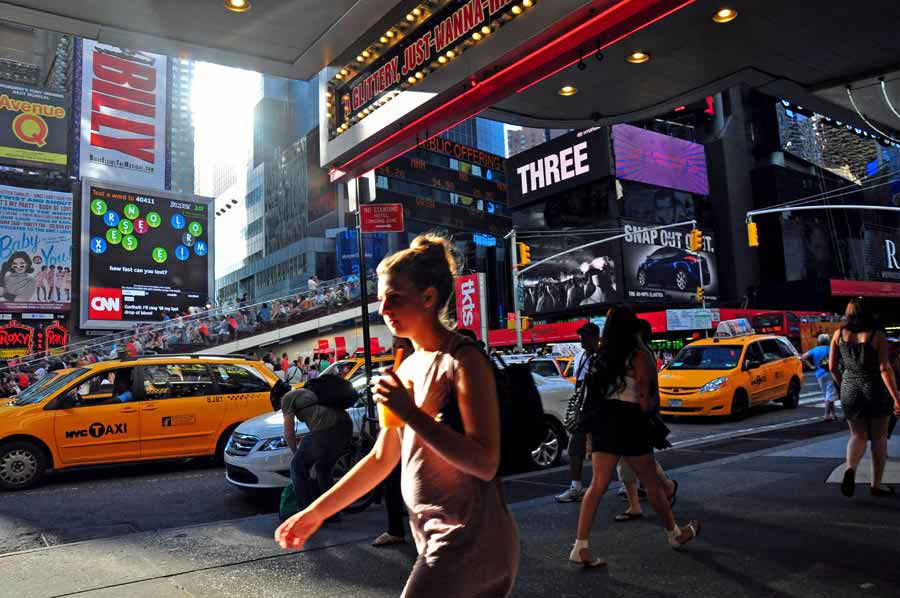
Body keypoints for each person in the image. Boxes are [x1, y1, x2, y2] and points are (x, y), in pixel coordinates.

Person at [276, 234, 519, 597]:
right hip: (433, 535)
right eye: (380, 299)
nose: (383, 309)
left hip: (471, 538)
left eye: (394, 297)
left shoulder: (463, 359)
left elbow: (485, 462)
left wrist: (410, 413)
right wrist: (315, 512)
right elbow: (381, 458)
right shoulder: (405, 368)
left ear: (428, 297)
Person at [571, 306, 700, 567]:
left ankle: (581, 546)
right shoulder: (638, 355)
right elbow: (645, 400)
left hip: (604, 423)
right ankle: (674, 534)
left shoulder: (603, 356)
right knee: (651, 482)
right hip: (630, 422)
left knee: (597, 485)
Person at [830, 300, 900, 497]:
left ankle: (850, 468)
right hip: (876, 389)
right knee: (879, 438)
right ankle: (877, 485)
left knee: (857, 435)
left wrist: (843, 383)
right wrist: (896, 397)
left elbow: (832, 367)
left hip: (849, 388)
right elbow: (884, 368)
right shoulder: (877, 336)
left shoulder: (838, 335)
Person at [615, 319, 679, 522]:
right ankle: (665, 489)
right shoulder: (641, 353)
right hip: (638, 415)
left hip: (637, 415)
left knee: (631, 460)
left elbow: (645, 390)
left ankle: (645, 506)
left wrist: (645, 412)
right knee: (641, 460)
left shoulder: (641, 355)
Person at [275, 378, 353, 515]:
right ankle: (331, 513)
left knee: (297, 466)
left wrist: (295, 453)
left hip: (327, 428)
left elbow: (288, 432)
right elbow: (318, 423)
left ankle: (305, 513)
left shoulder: (287, 399)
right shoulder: (306, 392)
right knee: (323, 468)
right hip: (345, 423)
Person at [373, 336, 415, 548]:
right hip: (399, 436)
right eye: (394, 345)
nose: (396, 349)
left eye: (400, 345)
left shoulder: (419, 367)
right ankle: (395, 529)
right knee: (391, 481)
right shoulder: (400, 370)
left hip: (416, 440)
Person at [556, 322, 602, 503]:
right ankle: (576, 486)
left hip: (599, 409)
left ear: (595, 337)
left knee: (613, 449)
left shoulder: (602, 356)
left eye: (586, 335)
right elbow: (579, 385)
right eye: (580, 335)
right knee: (575, 445)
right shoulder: (580, 356)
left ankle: (633, 483)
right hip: (584, 408)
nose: (581, 338)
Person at [803, 333, 839, 421]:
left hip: (819, 374)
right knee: (830, 395)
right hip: (830, 372)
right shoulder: (831, 349)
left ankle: (833, 414)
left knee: (828, 394)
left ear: (819, 341)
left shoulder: (815, 350)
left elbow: (803, 357)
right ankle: (826, 415)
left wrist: (811, 366)